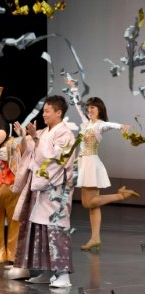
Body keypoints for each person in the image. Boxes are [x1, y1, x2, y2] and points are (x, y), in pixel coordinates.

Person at [65, 78, 139, 251]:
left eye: (92, 107)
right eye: (88, 107)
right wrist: (74, 89)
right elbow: (77, 105)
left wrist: (121, 126)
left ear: (99, 110)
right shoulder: (85, 123)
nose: (89, 109)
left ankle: (121, 196)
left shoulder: (99, 125)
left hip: (91, 163)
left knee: (87, 203)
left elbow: (109, 125)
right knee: (93, 204)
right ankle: (95, 238)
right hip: (84, 163)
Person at [12, 95, 76, 288]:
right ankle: (47, 271)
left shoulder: (66, 134)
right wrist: (26, 137)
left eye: (48, 111)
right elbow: (31, 151)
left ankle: (63, 274)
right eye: (44, 110)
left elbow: (56, 157)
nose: (44, 114)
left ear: (59, 112)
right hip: (41, 189)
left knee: (56, 230)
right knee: (40, 229)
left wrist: (36, 138)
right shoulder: (43, 131)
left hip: (56, 189)